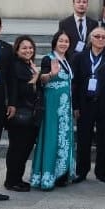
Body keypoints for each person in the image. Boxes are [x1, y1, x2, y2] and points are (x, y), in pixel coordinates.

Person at [29, 31, 77, 190]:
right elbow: (41, 79)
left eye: (66, 41)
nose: (64, 44)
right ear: (55, 42)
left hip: (65, 106)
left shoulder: (67, 59)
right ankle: (48, 174)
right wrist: (51, 74)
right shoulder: (48, 58)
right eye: (61, 41)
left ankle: (61, 173)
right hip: (52, 105)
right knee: (51, 135)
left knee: (63, 136)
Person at [71, 27, 105, 183]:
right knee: (84, 139)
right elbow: (74, 83)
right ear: (91, 39)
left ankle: (101, 171)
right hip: (85, 104)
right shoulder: (79, 57)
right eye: (97, 36)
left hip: (104, 104)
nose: (101, 39)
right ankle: (81, 171)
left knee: (104, 140)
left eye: (104, 37)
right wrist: (75, 106)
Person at [3, 36, 41, 192]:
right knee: (17, 150)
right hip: (19, 116)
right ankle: (11, 181)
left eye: (30, 47)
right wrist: (37, 76)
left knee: (23, 150)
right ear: (17, 50)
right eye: (24, 48)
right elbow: (26, 90)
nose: (28, 50)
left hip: (28, 115)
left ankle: (16, 178)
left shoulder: (27, 65)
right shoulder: (17, 66)